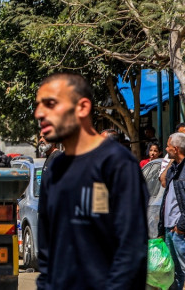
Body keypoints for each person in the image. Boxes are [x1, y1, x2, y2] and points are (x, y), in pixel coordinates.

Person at [34, 73, 148, 289]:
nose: (39, 113)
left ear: (82, 107)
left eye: (50, 104)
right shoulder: (56, 167)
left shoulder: (117, 164)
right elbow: (48, 251)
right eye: (38, 105)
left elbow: (131, 252)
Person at [159, 132, 185, 290]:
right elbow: (162, 181)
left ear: (175, 148)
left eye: (168, 146)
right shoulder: (173, 169)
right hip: (170, 229)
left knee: (183, 269)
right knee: (172, 272)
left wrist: (181, 227)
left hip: (180, 231)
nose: (166, 149)